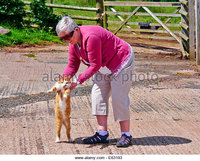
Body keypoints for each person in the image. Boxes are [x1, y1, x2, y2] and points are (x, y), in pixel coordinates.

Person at [56, 16, 134, 147]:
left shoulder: (91, 37)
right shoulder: (73, 43)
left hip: (120, 61)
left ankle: (126, 134)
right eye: (62, 38)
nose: (66, 40)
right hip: (103, 66)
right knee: (97, 95)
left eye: (67, 37)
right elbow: (72, 66)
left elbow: (94, 65)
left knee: (118, 97)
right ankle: (102, 134)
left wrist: (78, 81)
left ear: (76, 30)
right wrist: (62, 81)